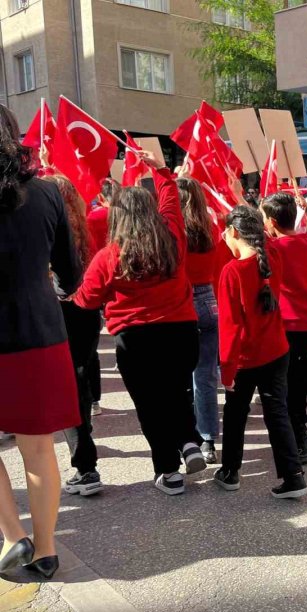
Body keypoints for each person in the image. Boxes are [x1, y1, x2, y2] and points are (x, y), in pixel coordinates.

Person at [74, 151, 206, 496]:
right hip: (181, 331)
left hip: (136, 339)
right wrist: (159, 169)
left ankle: (169, 471)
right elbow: (171, 200)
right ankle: (189, 440)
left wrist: (68, 295)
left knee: (150, 406)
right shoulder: (173, 237)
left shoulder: (109, 256)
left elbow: (86, 299)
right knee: (177, 391)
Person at [0, 104, 81, 583]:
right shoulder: (49, 192)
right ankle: (46, 551)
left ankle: (13, 536)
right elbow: (70, 270)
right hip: (39, 331)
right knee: (39, 449)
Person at [215, 206, 307, 498]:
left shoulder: (232, 271)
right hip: (276, 349)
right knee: (277, 412)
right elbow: (267, 238)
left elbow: (229, 327)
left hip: (246, 358)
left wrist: (226, 370)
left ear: (234, 232)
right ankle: (293, 476)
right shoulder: (272, 256)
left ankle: (230, 471)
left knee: (235, 414)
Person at [43, 175, 104, 496]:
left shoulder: (49, 230)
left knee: (68, 386)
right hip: (87, 309)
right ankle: (85, 445)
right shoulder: (88, 228)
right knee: (80, 375)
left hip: (61, 310)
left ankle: (85, 467)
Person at [263, 192, 307, 466]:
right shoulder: (306, 244)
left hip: (288, 323)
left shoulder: (275, 248)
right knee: (297, 379)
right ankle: (299, 430)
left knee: (289, 385)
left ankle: (297, 438)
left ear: (272, 221)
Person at [177, 177, 220, 465]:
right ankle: (208, 440)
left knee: (179, 377)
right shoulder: (211, 228)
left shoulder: (173, 231)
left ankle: (187, 438)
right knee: (205, 377)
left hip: (181, 300)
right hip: (208, 299)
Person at [85, 179, 119, 417]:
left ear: (101, 197)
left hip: (96, 272)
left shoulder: (93, 217)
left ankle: (92, 400)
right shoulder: (128, 216)